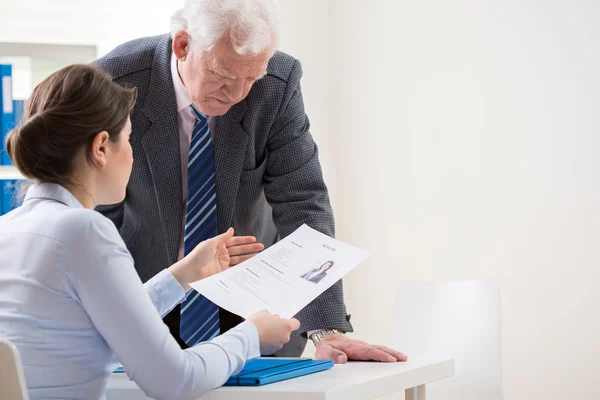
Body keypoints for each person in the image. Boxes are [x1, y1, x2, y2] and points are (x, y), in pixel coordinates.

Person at [94, 0, 407, 363]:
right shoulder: (115, 82)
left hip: (255, 314)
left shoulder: (276, 82)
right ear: (183, 46)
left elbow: (302, 201)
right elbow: (98, 214)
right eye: (223, 75)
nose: (237, 94)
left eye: (250, 78)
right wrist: (112, 314)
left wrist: (325, 329)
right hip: (145, 302)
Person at [0, 64, 300, 400]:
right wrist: (252, 336)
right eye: (128, 138)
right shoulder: (83, 230)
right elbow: (176, 380)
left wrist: (183, 274)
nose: (132, 154)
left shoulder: (9, 228)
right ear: (101, 148)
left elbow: (101, 323)